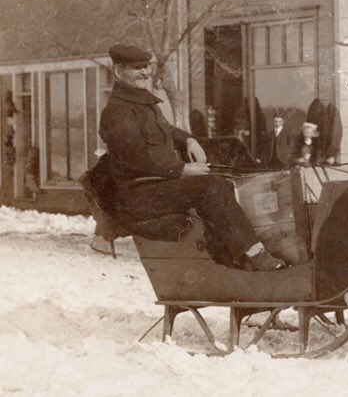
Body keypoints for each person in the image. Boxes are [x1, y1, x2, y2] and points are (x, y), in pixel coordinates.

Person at [93, 43, 286, 271]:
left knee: (225, 180)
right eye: (137, 68)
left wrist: (188, 140)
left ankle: (240, 259)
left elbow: (166, 131)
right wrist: (182, 169)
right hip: (138, 194)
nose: (144, 72)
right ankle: (253, 253)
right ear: (118, 71)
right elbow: (136, 157)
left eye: (146, 66)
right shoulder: (117, 111)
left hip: (156, 186)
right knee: (209, 186)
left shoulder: (142, 103)